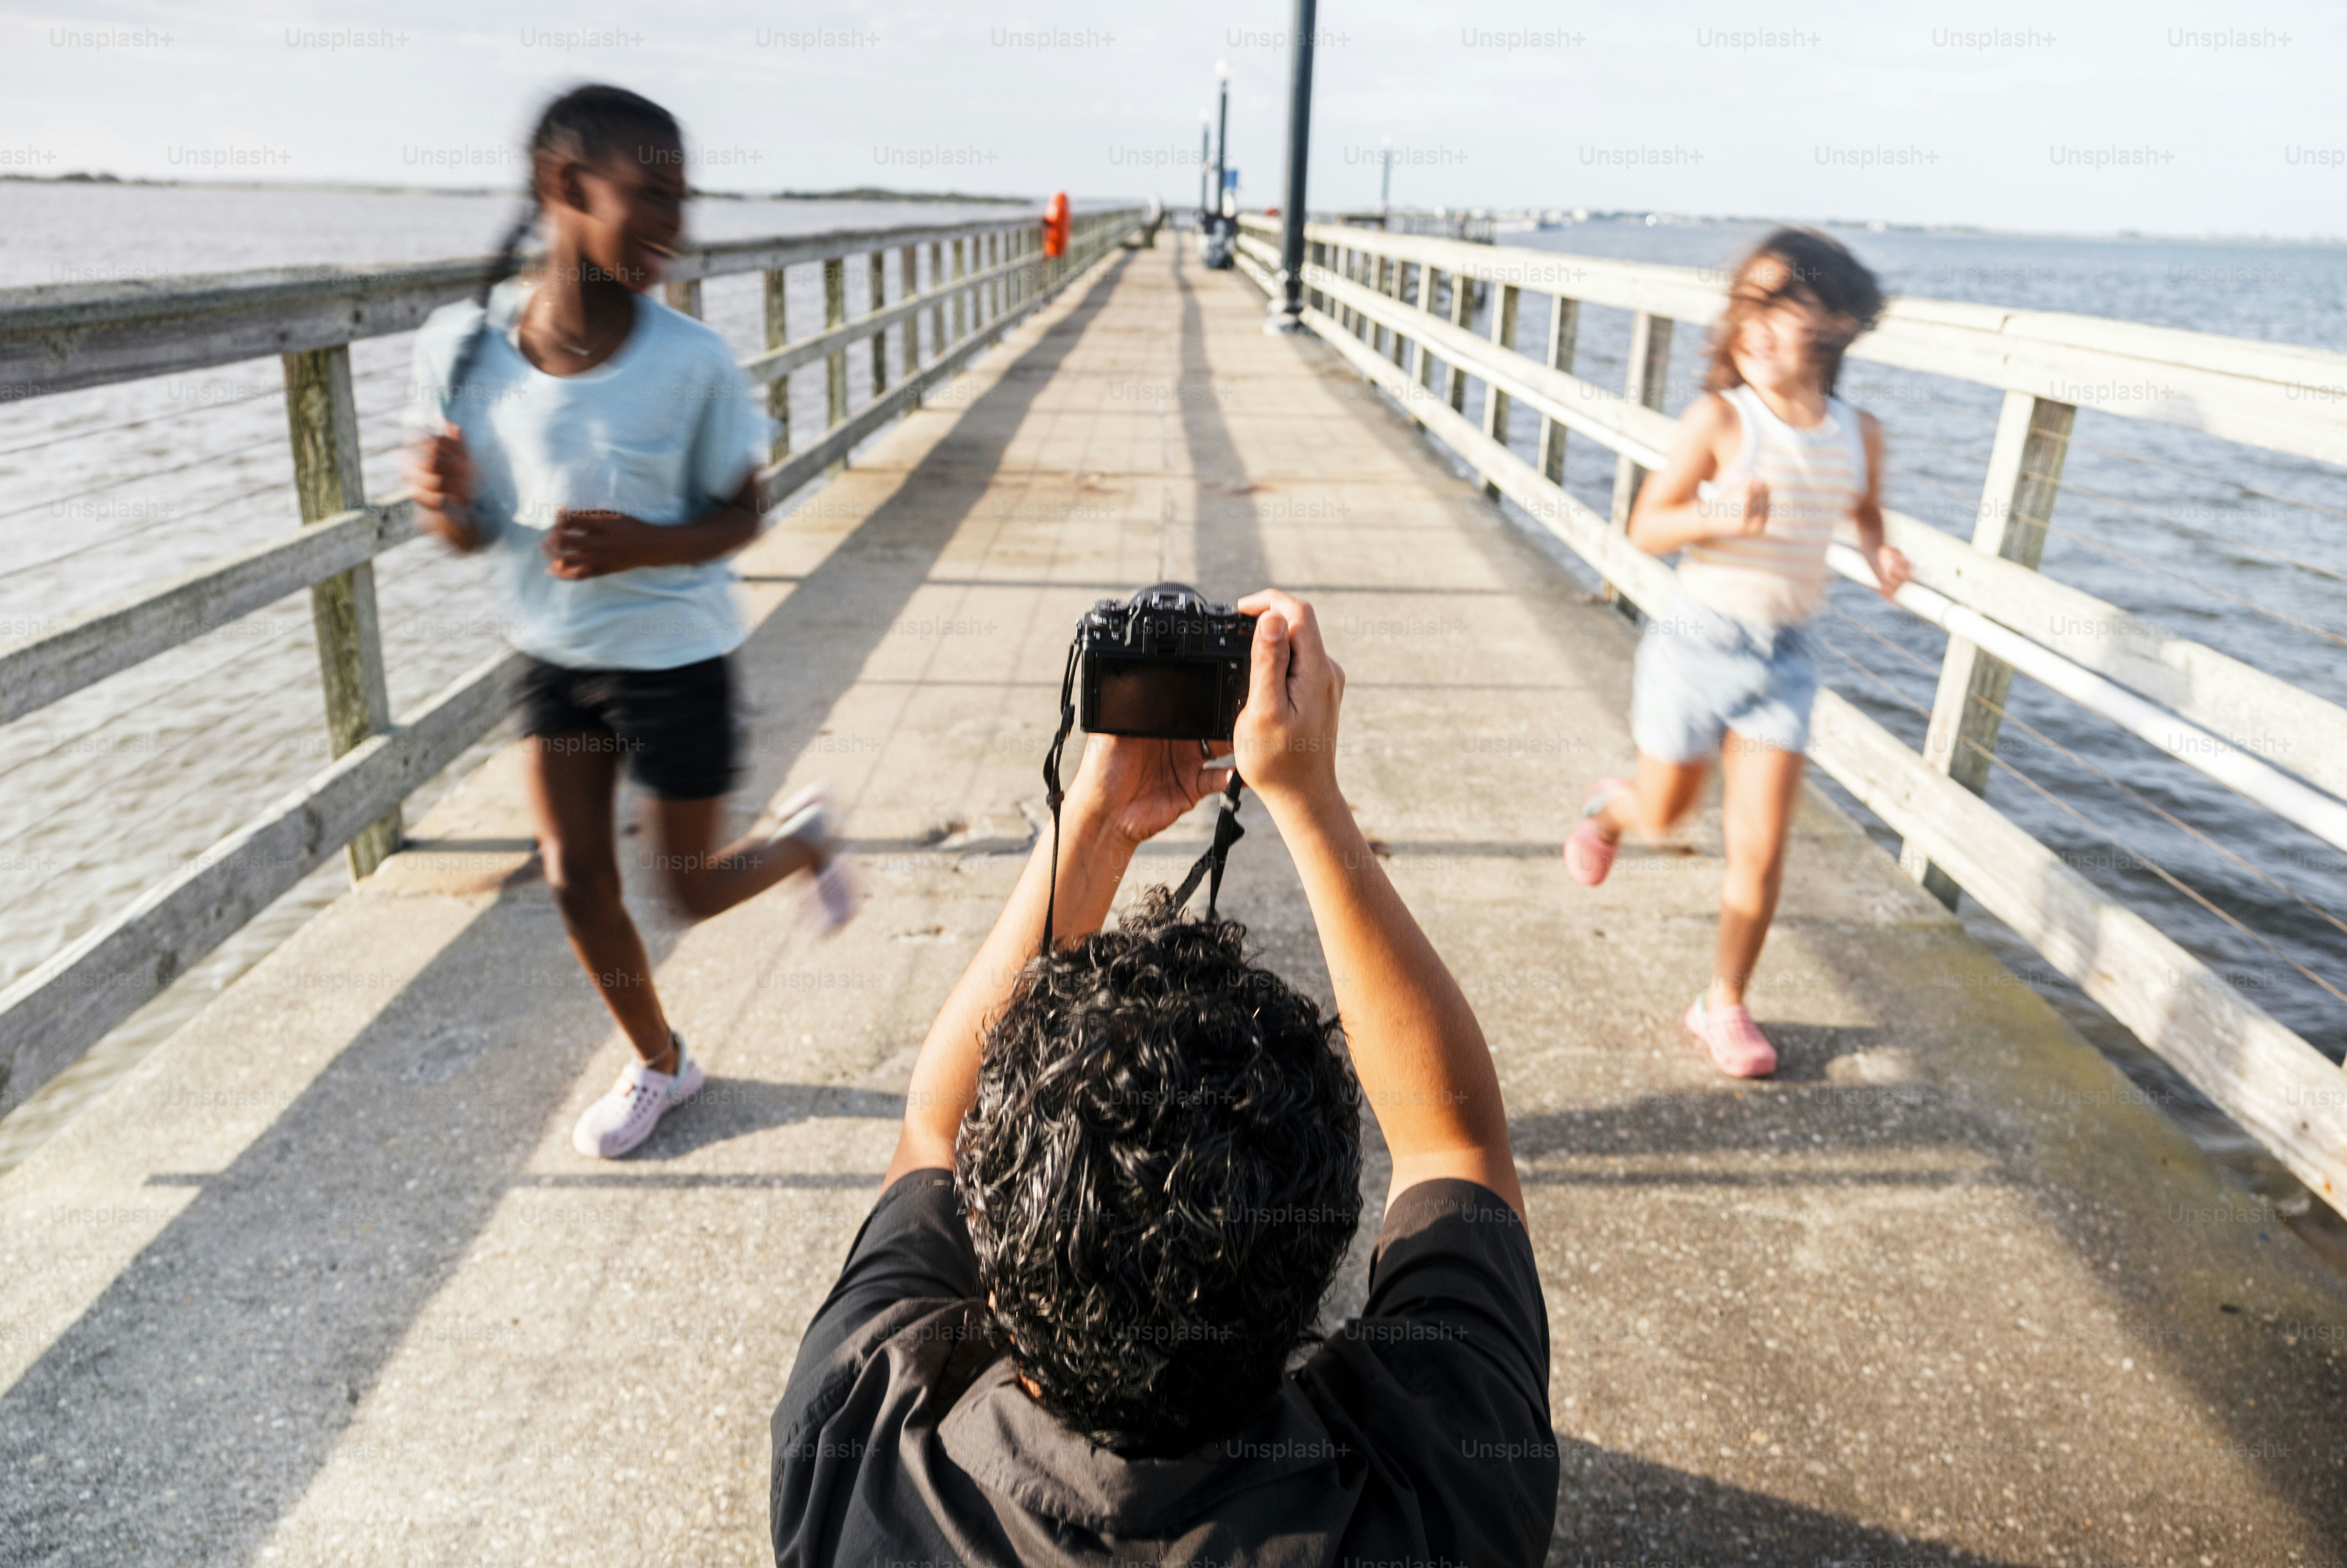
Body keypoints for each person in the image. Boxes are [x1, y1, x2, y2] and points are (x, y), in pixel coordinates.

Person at [770, 593, 1557, 1565]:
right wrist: (1310, 802)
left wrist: (1095, 820)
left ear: (998, 1256)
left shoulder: (856, 1451)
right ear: (1318, 1283)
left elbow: (936, 1132)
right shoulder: (1442, 1506)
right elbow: (1453, 1144)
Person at [404, 84, 853, 1160]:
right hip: (552, 656)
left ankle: (800, 844)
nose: (672, 226)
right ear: (565, 187)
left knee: (689, 894)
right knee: (574, 879)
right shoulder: (462, 348)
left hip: (674, 659)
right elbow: (467, 536)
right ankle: (663, 1062)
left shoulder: (691, 363)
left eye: (682, 201)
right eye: (647, 195)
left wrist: (640, 544)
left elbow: (745, 510)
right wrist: (443, 504)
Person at [1565, 227, 1908, 1078]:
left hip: (1783, 663)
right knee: (1668, 813)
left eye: (1778, 307)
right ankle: (1615, 810)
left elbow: (1859, 507)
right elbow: (1648, 526)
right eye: (1743, 305)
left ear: (1840, 326)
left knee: (1759, 848)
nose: (1751, 325)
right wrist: (1718, 517)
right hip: (1696, 647)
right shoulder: (1721, 420)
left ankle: (1722, 1003)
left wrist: (1879, 552)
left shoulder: (1859, 433)